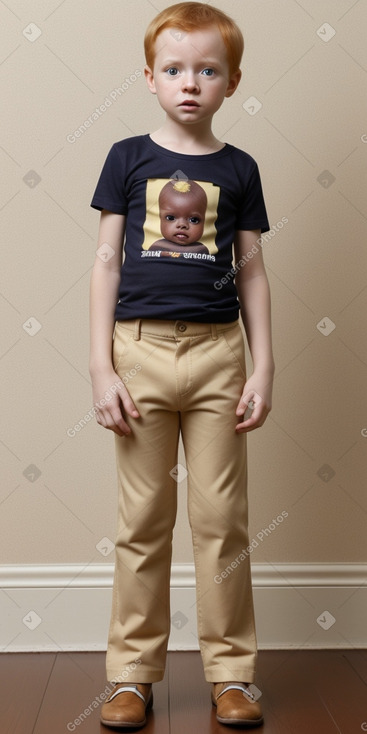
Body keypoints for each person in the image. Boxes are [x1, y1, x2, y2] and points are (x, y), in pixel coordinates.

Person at [89, 2, 274, 728]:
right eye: (173, 69)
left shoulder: (239, 168)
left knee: (222, 520)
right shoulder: (127, 158)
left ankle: (231, 674)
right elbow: (105, 262)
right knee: (142, 519)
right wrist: (101, 367)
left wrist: (262, 369)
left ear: (231, 81)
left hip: (219, 356)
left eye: (206, 70)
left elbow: (253, 271)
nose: (189, 82)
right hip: (136, 354)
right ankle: (131, 675)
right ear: (149, 78)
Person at [149, 178, 209, 254]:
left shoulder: (201, 250)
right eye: (171, 218)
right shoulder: (157, 247)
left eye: (193, 220)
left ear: (204, 221)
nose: (182, 225)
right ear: (160, 218)